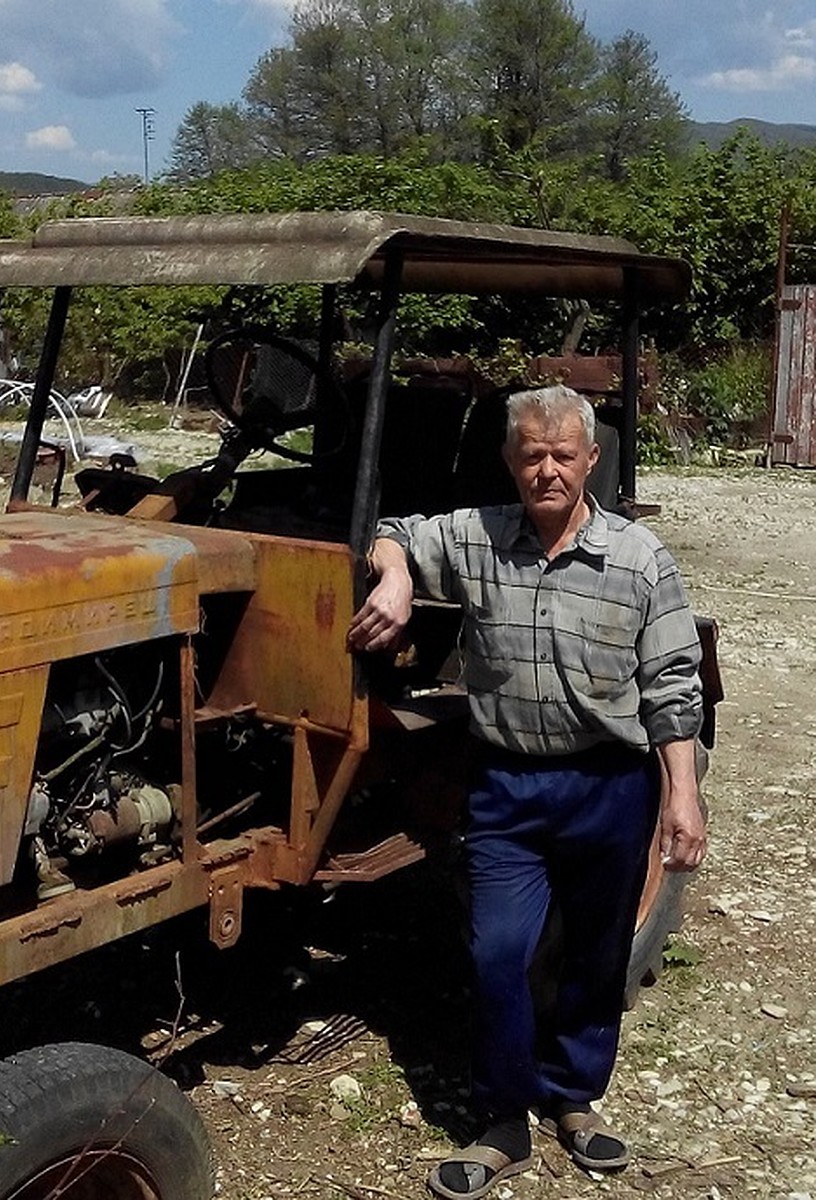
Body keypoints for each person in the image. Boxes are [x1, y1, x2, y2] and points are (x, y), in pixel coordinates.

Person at [346, 385, 707, 1200]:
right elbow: (392, 529)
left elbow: (673, 686)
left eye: (562, 455)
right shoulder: (476, 537)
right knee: (498, 952)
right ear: (511, 461)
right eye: (531, 454)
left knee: (595, 952)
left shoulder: (640, 559)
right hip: (507, 782)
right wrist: (397, 576)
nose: (547, 469)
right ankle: (505, 1119)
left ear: (591, 461)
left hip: (609, 785)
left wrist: (683, 794)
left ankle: (575, 1097)